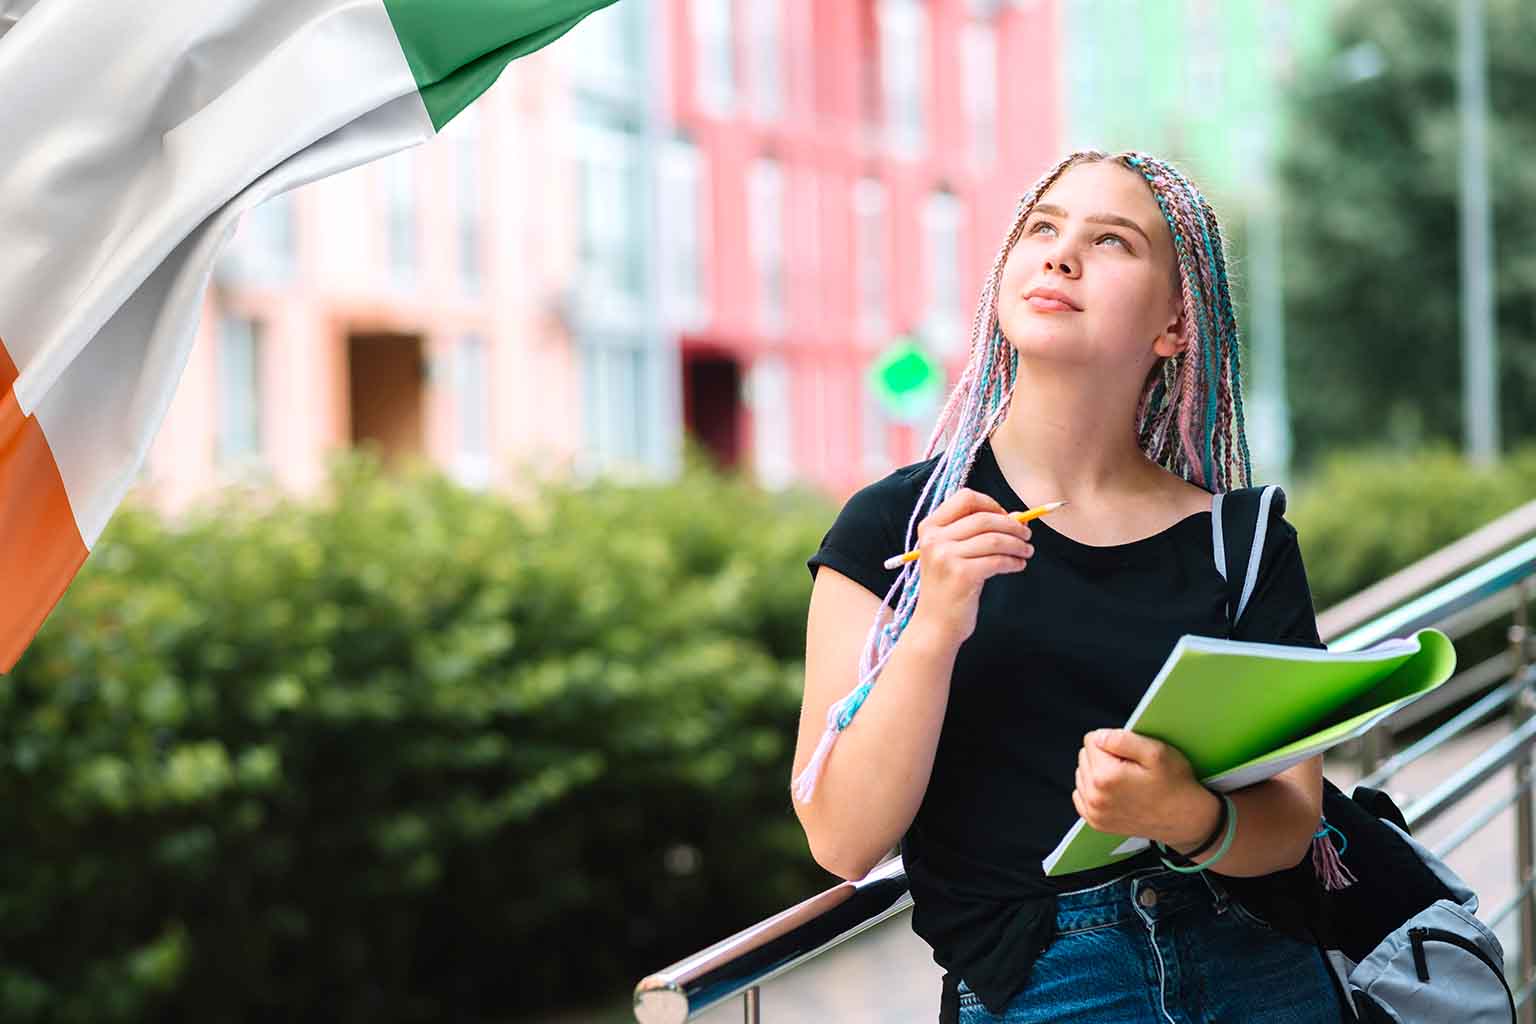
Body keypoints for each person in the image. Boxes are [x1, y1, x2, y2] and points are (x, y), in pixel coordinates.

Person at [790, 151, 1344, 1023]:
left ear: (1175, 322)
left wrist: (1188, 815)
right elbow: (841, 838)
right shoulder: (894, 528)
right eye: (1042, 228)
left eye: (1112, 240)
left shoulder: (1242, 543)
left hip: (1263, 966)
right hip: (1043, 981)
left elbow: (1292, 824)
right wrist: (934, 624)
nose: (1060, 254)